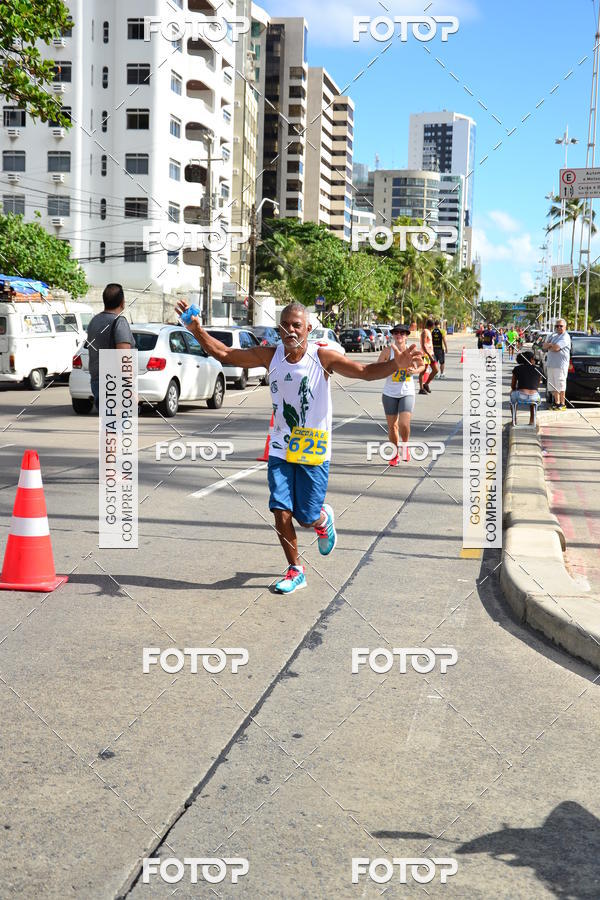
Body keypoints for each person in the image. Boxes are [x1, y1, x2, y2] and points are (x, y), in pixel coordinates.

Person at [176, 299, 423, 594]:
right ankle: (295, 569)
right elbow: (227, 353)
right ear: (279, 329)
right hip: (281, 446)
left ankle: (321, 519)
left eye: (297, 325)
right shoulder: (271, 355)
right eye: (286, 325)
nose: (291, 330)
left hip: (314, 449)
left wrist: (397, 364)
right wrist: (196, 330)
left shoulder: (322, 358)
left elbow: (363, 370)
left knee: (305, 516)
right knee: (280, 509)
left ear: (307, 329)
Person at [378, 323, 426, 465]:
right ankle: (394, 455)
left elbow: (422, 365)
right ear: (393, 335)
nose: (399, 335)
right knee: (393, 426)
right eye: (396, 333)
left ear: (406, 336)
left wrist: (414, 371)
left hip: (407, 392)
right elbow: (378, 367)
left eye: (402, 333)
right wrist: (390, 368)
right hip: (389, 393)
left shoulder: (411, 351)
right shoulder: (387, 351)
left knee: (404, 424)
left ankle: (405, 445)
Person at [86, 284, 134, 410]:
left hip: (97, 381)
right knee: (120, 426)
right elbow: (124, 357)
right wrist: (129, 387)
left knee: (110, 426)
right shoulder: (119, 322)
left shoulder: (94, 321)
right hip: (114, 383)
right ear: (122, 302)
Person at [543, 318, 571, 410]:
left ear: (565, 327)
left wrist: (550, 345)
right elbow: (544, 346)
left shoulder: (565, 336)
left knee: (561, 384)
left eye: (561, 326)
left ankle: (562, 404)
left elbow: (556, 348)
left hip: (560, 365)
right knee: (553, 385)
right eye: (557, 326)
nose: (558, 327)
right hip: (551, 364)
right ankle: (556, 403)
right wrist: (551, 345)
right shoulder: (553, 335)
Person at [510, 350, 541, 425]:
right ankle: (532, 420)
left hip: (521, 396)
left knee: (512, 398)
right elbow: (537, 386)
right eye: (534, 359)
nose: (534, 360)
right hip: (534, 397)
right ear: (530, 359)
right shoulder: (539, 369)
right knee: (534, 399)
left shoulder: (517, 369)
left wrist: (515, 390)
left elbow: (513, 385)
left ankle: (514, 420)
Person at [419, 317, 439, 394]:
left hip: (430, 354)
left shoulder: (429, 332)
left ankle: (426, 384)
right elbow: (424, 345)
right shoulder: (425, 332)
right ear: (432, 325)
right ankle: (421, 388)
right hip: (426, 355)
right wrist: (428, 355)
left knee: (436, 370)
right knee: (423, 371)